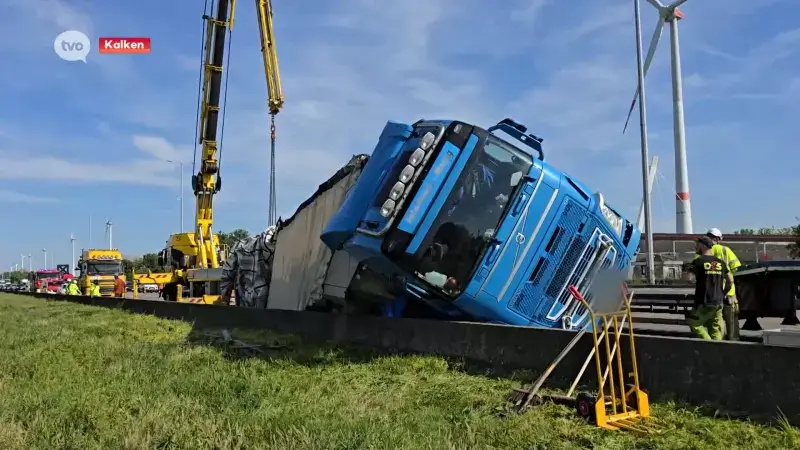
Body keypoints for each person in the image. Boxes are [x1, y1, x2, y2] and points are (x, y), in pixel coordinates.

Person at [693, 228, 742, 340]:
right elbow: (735, 269)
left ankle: (717, 343)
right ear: (718, 239)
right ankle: (734, 343)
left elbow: (694, 271)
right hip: (728, 292)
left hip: (710, 293)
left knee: (716, 322)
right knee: (731, 321)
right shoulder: (726, 250)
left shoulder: (700, 253)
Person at [686, 236, 733, 340]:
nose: (696, 247)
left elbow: (689, 279)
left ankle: (708, 344)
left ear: (702, 245)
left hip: (704, 301)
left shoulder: (698, 262)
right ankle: (717, 351)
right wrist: (723, 293)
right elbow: (730, 280)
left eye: (697, 245)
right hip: (718, 302)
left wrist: (688, 270)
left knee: (694, 323)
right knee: (715, 328)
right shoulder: (721, 262)